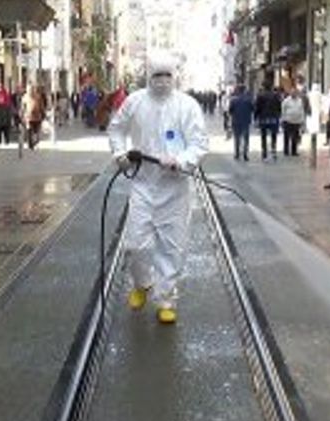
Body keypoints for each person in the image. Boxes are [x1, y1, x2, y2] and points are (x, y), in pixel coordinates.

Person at [107, 50, 208, 324]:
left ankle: (166, 299)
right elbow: (116, 129)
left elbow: (199, 143)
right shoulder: (135, 102)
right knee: (135, 244)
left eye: (167, 75)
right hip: (143, 184)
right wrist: (120, 154)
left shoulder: (187, 106)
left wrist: (181, 160)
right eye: (157, 75)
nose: (162, 80)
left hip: (175, 189)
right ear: (148, 75)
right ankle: (142, 284)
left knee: (172, 247)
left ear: (174, 76)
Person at [254, 81, 281, 161]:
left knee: (264, 136)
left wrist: (256, 117)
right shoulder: (276, 95)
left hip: (263, 117)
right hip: (273, 117)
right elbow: (279, 106)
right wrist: (279, 115)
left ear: (264, 87)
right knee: (273, 135)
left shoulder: (260, 95)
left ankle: (264, 153)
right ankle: (273, 151)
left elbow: (257, 107)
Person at [229, 85, 254, 161]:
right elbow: (252, 109)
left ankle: (237, 154)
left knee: (237, 138)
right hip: (246, 121)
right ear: (244, 90)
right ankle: (245, 154)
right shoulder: (248, 100)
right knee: (245, 138)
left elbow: (230, 111)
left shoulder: (233, 100)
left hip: (236, 121)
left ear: (238, 90)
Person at [281, 87, 306, 157]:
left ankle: (294, 151)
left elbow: (302, 110)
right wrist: (283, 119)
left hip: (297, 121)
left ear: (297, 93)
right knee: (286, 137)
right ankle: (286, 151)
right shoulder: (286, 100)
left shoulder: (300, 100)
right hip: (288, 121)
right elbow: (283, 109)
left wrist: (302, 120)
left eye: (295, 92)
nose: (293, 94)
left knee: (295, 137)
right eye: (292, 92)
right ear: (290, 93)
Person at [22, 85, 46, 150]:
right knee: (29, 130)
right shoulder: (25, 97)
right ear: (27, 90)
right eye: (29, 90)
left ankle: (35, 142)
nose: (30, 91)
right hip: (29, 117)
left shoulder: (38, 97)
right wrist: (23, 115)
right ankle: (30, 144)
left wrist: (43, 113)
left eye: (31, 89)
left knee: (36, 132)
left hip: (37, 117)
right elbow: (23, 107)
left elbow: (41, 106)